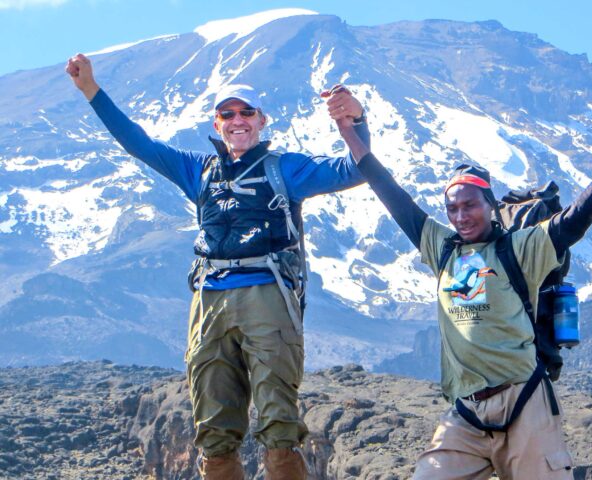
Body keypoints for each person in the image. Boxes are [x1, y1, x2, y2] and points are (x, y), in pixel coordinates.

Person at [66, 53, 369, 480]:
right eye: (227, 113)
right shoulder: (199, 170)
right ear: (217, 124)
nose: (237, 119)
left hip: (267, 293)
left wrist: (354, 120)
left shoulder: (286, 168)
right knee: (213, 430)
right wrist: (91, 91)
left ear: (262, 121)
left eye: (246, 111)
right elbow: (139, 144)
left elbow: (355, 168)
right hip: (209, 299)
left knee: (279, 424)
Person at [334, 113, 592, 479]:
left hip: (524, 401)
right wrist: (349, 135)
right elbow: (390, 192)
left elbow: (572, 221)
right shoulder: (440, 248)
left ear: (489, 205)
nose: (460, 215)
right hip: (467, 412)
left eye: (469, 205)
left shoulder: (519, 248)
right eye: (452, 208)